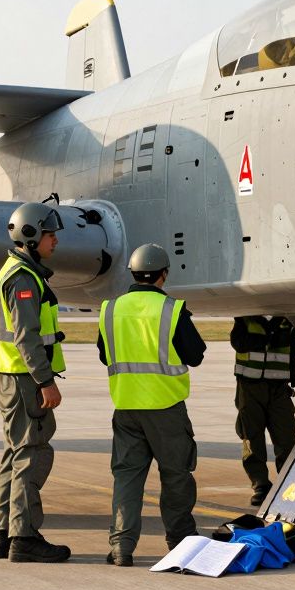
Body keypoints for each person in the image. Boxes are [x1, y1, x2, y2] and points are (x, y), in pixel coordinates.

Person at [97, 243, 206, 567]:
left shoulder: (111, 309)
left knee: (127, 478)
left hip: (126, 407)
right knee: (176, 477)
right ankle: (181, 542)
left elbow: (105, 354)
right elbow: (195, 355)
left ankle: (121, 546)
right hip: (165, 407)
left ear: (132, 273)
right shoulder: (172, 310)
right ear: (164, 274)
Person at [0, 201, 71, 563]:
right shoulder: (23, 278)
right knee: (32, 454)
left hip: (13, 377)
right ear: (32, 236)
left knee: (16, 454)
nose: (55, 240)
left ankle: (4, 534)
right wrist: (45, 381)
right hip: (24, 379)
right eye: (50, 234)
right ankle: (24, 537)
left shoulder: (19, 271)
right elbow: (27, 337)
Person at [231, 315, 295, 506]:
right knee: (251, 436)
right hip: (250, 387)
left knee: (286, 436)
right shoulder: (245, 319)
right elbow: (239, 344)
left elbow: (293, 351)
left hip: (279, 387)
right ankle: (260, 483)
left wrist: (292, 378)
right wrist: (268, 335)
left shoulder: (286, 321)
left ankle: (288, 482)